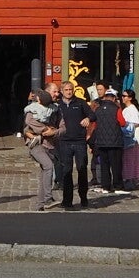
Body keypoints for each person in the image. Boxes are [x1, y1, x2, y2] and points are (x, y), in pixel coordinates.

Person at [52, 80, 93, 209]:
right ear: (61, 91)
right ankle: (67, 200)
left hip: (79, 141)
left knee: (82, 169)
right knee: (66, 171)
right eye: (66, 90)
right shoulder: (58, 105)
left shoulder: (80, 103)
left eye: (71, 89)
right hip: (64, 142)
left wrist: (88, 118)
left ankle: (83, 197)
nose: (69, 92)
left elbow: (93, 115)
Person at [22, 87, 58, 210]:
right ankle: (48, 198)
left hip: (48, 143)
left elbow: (59, 126)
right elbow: (27, 125)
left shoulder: (54, 109)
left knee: (45, 172)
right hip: (36, 143)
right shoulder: (32, 110)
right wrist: (44, 129)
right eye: (54, 92)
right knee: (48, 166)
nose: (56, 94)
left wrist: (53, 131)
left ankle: (41, 204)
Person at [89, 84, 125, 196]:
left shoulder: (98, 109)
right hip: (115, 142)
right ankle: (117, 186)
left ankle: (106, 186)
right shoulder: (117, 109)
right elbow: (122, 123)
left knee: (104, 165)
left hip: (101, 142)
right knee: (116, 165)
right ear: (114, 98)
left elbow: (94, 124)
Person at [119, 89, 139, 190]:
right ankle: (129, 180)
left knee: (129, 160)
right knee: (128, 160)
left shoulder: (132, 109)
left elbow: (136, 123)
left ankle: (129, 181)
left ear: (130, 98)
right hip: (128, 137)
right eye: (122, 96)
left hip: (131, 139)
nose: (122, 98)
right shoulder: (126, 109)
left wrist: (125, 126)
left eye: (124, 96)